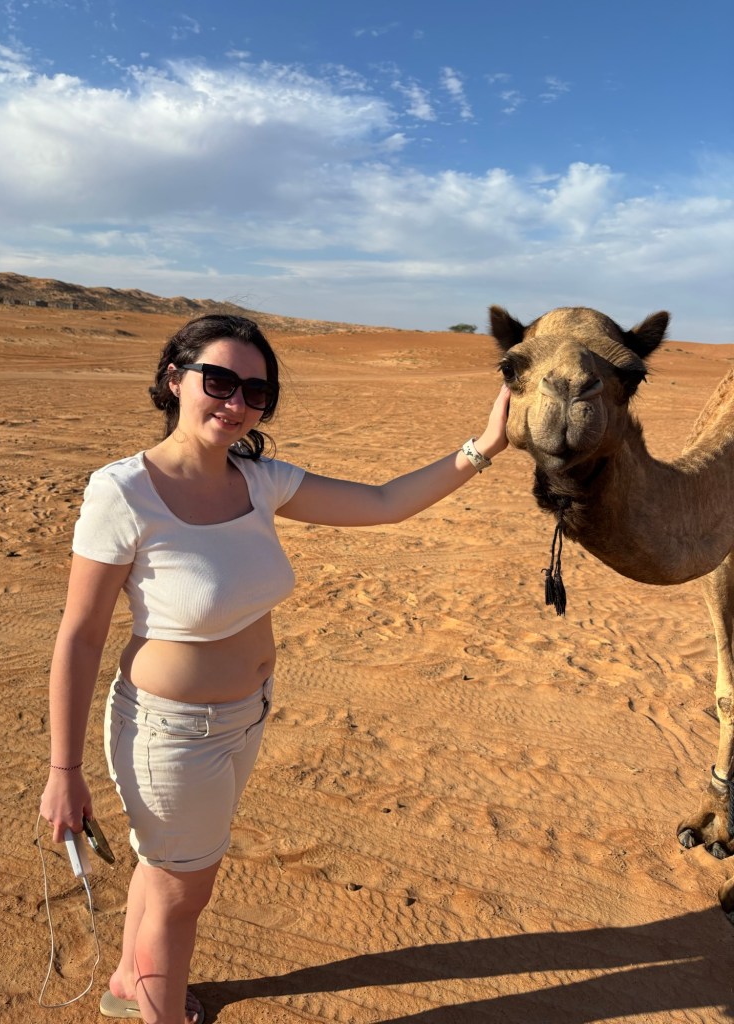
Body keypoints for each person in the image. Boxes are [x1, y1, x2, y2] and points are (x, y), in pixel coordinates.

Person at [40, 313, 510, 1024]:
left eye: (255, 392)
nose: (236, 403)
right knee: (182, 894)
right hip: (171, 737)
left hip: (247, 714)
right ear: (174, 379)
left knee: (165, 869)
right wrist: (64, 771)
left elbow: (384, 503)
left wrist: (485, 445)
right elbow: (79, 637)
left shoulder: (259, 482)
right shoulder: (124, 492)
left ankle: (130, 982)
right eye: (219, 381)